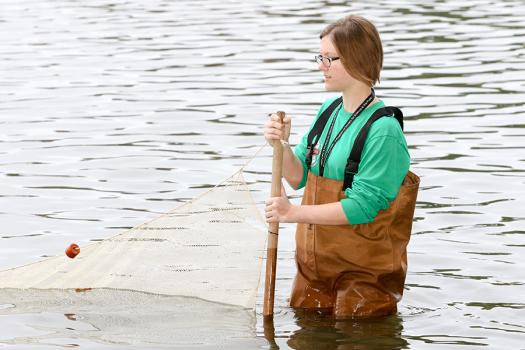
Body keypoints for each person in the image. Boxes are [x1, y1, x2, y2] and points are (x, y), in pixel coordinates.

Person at [264, 15, 420, 318]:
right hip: (313, 270)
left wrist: (293, 213)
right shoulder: (329, 110)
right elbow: (298, 178)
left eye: (329, 58)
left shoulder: (384, 129)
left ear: (356, 59)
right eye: (319, 57)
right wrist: (280, 146)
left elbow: (363, 206)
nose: (320, 65)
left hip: (362, 277)